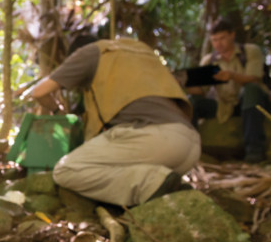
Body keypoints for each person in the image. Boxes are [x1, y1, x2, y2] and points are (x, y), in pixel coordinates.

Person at [26, 35, 200, 207]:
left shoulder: (91, 52)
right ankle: (168, 185)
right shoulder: (139, 51)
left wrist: (57, 110)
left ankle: (151, 182)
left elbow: (39, 92)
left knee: (66, 170)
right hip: (189, 145)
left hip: (154, 139)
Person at [186, 18, 271, 163]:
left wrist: (232, 76)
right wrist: (184, 84)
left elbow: (255, 78)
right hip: (225, 106)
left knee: (251, 90)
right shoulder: (209, 60)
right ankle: (189, 150)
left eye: (222, 38)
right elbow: (201, 92)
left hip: (252, 104)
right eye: (214, 40)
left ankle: (254, 151)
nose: (218, 43)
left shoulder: (250, 51)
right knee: (192, 101)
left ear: (232, 35)